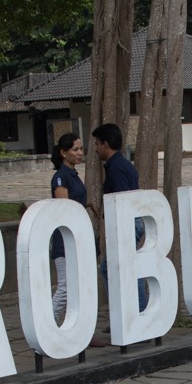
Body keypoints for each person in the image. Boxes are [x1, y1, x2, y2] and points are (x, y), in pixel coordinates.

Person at [91, 122, 147, 312]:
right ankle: (127, 313)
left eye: (97, 144)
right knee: (114, 268)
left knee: (129, 268)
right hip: (130, 223)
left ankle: (137, 312)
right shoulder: (121, 164)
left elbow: (124, 200)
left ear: (105, 144)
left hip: (128, 223)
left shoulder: (115, 169)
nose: (96, 149)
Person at [48, 132, 88, 319]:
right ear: (64, 153)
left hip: (77, 239)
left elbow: (75, 201)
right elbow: (65, 210)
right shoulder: (61, 177)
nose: (80, 153)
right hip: (64, 242)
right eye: (75, 149)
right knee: (65, 287)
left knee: (77, 287)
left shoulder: (73, 174)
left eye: (81, 149)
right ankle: (47, 325)